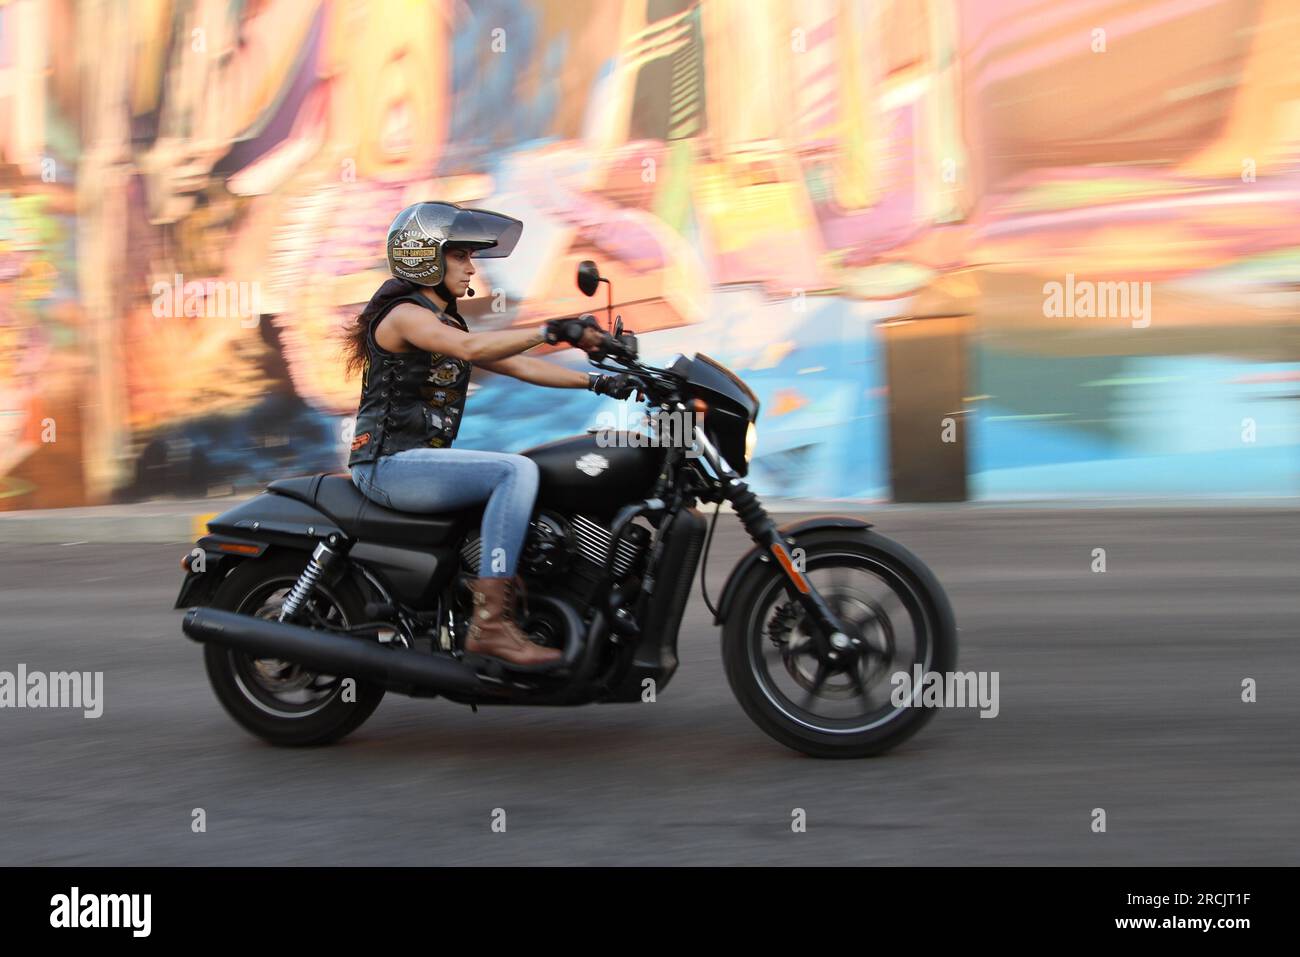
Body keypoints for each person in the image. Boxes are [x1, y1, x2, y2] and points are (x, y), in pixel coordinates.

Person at [342, 201, 636, 668]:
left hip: (416, 465)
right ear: (426, 257)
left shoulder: (445, 321)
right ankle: (491, 625)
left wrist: (598, 382)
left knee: (531, 477)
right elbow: (471, 347)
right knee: (513, 472)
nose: (471, 266)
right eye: (460, 255)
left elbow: (517, 364)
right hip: (389, 464)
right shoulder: (403, 316)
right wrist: (550, 329)